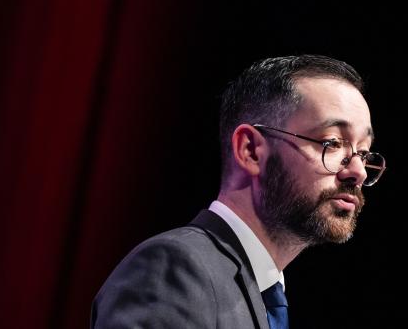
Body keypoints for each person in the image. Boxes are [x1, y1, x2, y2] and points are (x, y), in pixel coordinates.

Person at [91, 54, 387, 328]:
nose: (358, 171)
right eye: (332, 142)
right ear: (251, 150)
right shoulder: (176, 268)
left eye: (364, 152)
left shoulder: (261, 293)